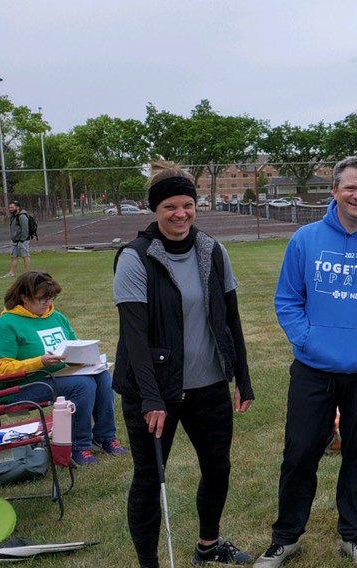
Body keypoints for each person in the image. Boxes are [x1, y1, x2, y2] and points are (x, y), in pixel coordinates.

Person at [258, 156, 357, 567]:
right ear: (335, 191)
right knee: (301, 452)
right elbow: (288, 300)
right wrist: (307, 341)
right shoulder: (305, 239)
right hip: (312, 367)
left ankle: (354, 535)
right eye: (350, 187)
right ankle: (286, 537)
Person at [113, 160, 254, 567]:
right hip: (153, 392)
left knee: (217, 468)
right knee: (148, 479)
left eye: (187, 205)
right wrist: (152, 399)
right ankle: (149, 563)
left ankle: (208, 545)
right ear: (154, 210)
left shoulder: (213, 250)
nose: (180, 214)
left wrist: (241, 376)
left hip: (208, 386)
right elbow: (135, 338)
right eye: (170, 207)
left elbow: (231, 318)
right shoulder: (135, 258)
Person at [0, 271, 126, 465]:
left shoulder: (56, 316)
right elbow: (2, 369)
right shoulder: (6, 323)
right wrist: (39, 361)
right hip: (21, 387)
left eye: (51, 298)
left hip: (57, 377)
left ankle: (105, 437)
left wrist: (86, 359)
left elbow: (73, 346)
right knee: (83, 384)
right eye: (42, 298)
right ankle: (78, 446)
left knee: (101, 377)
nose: (47, 302)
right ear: (24, 297)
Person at [4, 201, 31, 278]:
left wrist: (22, 240)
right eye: (9, 207)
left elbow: (25, 230)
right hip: (14, 240)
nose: (10, 209)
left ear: (17, 207)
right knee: (13, 256)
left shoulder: (22, 216)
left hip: (23, 240)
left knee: (25, 256)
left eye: (12, 207)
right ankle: (11, 273)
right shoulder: (13, 216)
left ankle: (26, 273)